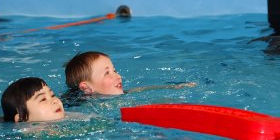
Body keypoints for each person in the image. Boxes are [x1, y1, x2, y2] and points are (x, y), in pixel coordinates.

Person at [65, 51, 196, 96]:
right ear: (86, 88)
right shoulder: (80, 106)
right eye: (107, 73)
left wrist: (170, 87)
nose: (118, 75)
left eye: (114, 70)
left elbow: (139, 90)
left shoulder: (106, 94)